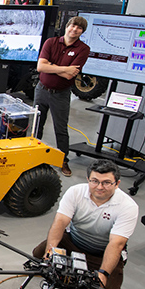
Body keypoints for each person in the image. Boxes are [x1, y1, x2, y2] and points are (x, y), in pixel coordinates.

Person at [31, 159, 138, 289]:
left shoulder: (128, 207)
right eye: (94, 181)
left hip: (101, 252)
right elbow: (60, 222)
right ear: (88, 179)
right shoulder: (75, 192)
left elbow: (116, 243)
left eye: (106, 182)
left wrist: (103, 273)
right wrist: (49, 251)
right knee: (38, 255)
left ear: (117, 184)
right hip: (73, 241)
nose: (99, 187)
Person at [34, 16, 90, 177]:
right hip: (42, 90)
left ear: (82, 32)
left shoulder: (83, 49)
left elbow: (70, 75)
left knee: (61, 129)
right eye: (73, 25)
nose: (75, 29)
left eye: (79, 28)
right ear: (67, 26)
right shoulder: (51, 42)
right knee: (37, 125)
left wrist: (51, 66)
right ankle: (35, 156)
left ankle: (63, 160)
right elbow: (40, 66)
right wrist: (64, 68)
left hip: (61, 94)